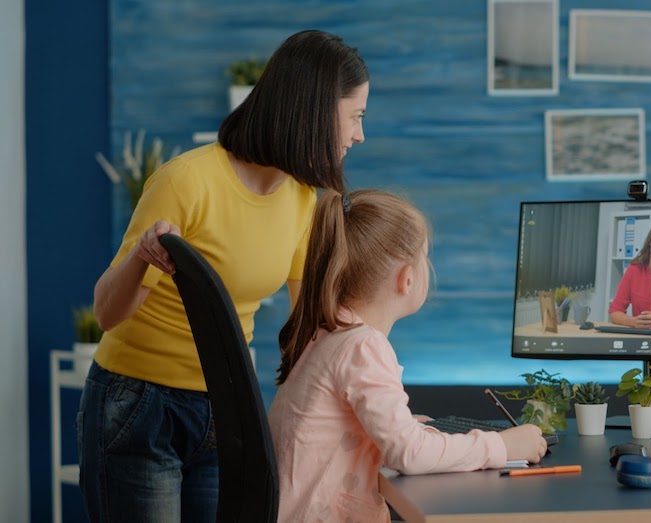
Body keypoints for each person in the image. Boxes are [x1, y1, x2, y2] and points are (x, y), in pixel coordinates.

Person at [77, 29, 369, 521]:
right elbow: (107, 313)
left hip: (226, 407)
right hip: (139, 407)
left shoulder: (302, 198)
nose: (359, 135)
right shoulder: (186, 181)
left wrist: (374, 407)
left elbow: (308, 329)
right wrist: (140, 259)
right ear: (315, 112)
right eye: (356, 117)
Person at [269, 190, 548, 522]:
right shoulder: (362, 346)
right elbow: (408, 454)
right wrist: (502, 447)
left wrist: (399, 428)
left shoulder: (327, 333)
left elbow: (342, 423)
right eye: (425, 257)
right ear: (407, 277)